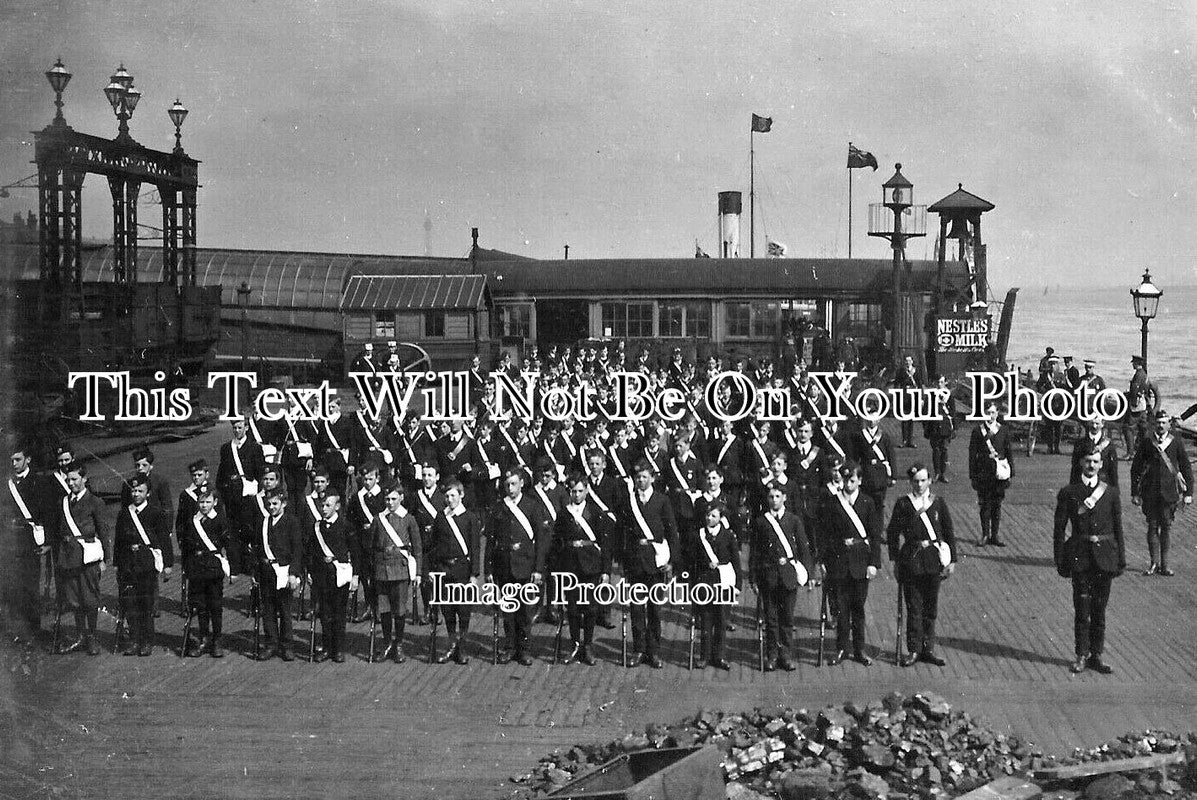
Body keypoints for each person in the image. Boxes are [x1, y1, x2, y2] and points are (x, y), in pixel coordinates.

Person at [1054, 450, 1125, 674]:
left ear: (1101, 464)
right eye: (1088, 461)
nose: (1091, 465)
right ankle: (1081, 655)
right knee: (1082, 610)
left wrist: (1120, 559)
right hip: (1080, 558)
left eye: (1095, 462)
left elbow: (1118, 528)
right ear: (1080, 464)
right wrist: (1060, 559)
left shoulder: (1111, 493)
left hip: (1104, 559)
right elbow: (1059, 529)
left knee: (1100, 610)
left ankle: (1097, 654)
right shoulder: (1069, 492)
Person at [886, 464, 956, 667]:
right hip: (912, 561)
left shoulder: (938, 503)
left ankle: (928, 649)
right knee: (914, 607)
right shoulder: (903, 504)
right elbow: (892, 533)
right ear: (910, 482)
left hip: (934, 561)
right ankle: (914, 650)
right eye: (916, 481)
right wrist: (895, 559)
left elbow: (948, 531)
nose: (919, 484)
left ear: (930, 481)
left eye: (923, 480)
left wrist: (952, 560)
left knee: (930, 607)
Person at [485, 468, 552, 665]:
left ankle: (524, 649)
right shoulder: (498, 508)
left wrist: (538, 569)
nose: (510, 488)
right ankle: (510, 646)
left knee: (525, 611)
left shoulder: (532, 507)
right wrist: (488, 571)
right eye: (507, 485)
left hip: (525, 564)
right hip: (504, 566)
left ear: (522, 483)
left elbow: (540, 540)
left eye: (513, 484)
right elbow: (490, 541)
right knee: (508, 609)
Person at [818, 462, 881, 666]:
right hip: (839, 562)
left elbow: (874, 535)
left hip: (861, 561)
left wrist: (874, 563)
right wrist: (824, 561)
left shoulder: (867, 502)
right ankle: (842, 648)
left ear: (859, 481)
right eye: (845, 480)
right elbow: (825, 534)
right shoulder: (834, 503)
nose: (848, 483)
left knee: (858, 609)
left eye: (852, 480)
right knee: (841, 609)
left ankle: (859, 649)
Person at [619, 460, 678, 668]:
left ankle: (654, 651)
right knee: (636, 608)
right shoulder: (629, 501)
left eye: (645, 476)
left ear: (652, 478)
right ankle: (639, 649)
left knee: (654, 609)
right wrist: (623, 562)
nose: (641, 480)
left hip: (656, 561)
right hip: (635, 560)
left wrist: (672, 562)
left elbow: (671, 531)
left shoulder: (662, 500)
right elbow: (622, 532)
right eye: (638, 477)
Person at [554, 473, 612, 666]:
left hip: (591, 564)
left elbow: (604, 543)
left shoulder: (595, 512)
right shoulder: (563, 513)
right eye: (573, 491)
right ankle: (574, 644)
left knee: (590, 607)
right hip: (570, 564)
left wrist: (605, 571)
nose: (577, 495)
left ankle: (587, 645)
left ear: (587, 490)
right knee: (572, 608)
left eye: (580, 491)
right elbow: (557, 541)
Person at [751, 484, 810, 671]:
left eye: (777, 496)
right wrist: (753, 579)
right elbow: (754, 553)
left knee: (787, 618)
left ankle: (786, 654)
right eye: (771, 496)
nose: (774, 500)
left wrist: (808, 574)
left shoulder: (794, 520)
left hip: (788, 576)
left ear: (784, 497)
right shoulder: (761, 522)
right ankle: (772, 655)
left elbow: (804, 549)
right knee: (771, 618)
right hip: (768, 575)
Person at [113, 475, 174, 656]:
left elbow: (164, 539)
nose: (136, 494)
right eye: (133, 490)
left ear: (148, 493)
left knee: (146, 604)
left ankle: (147, 641)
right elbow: (118, 540)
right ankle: (134, 640)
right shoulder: (124, 513)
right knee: (130, 604)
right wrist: (117, 563)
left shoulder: (155, 513)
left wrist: (168, 564)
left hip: (146, 563)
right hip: (128, 564)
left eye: (140, 491)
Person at [54, 463, 110, 656]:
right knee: (74, 599)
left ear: (84, 479)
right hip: (69, 557)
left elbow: (103, 530)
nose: (71, 483)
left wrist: (105, 559)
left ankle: (92, 636)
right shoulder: (64, 502)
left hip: (88, 557)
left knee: (90, 599)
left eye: (75, 479)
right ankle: (80, 636)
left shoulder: (95, 502)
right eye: (68, 480)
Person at [1130, 410, 1193, 576]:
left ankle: (1165, 565)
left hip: (1169, 492)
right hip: (1150, 492)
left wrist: (1189, 494)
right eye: (1158, 422)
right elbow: (1136, 467)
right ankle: (1153, 564)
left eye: (1164, 422)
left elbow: (1186, 466)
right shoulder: (1146, 442)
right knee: (1152, 527)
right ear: (1154, 424)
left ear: (1169, 425)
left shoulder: (1176, 442)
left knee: (1166, 527)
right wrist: (1134, 492)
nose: (1160, 425)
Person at [429, 479, 483, 664]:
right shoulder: (440, 517)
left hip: (462, 569)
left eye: (453, 495)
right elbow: (434, 544)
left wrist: (474, 575)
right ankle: (452, 644)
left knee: (463, 610)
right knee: (448, 609)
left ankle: (462, 647)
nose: (449, 499)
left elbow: (475, 548)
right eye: (447, 496)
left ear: (461, 495)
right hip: (444, 570)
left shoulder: (469, 518)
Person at [4, 445, 51, 639]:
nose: (14, 464)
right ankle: (19, 630)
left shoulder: (38, 482)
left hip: (31, 539)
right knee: (14, 587)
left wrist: (48, 542)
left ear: (28, 460)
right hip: (10, 540)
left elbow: (48, 514)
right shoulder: (7, 484)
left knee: (31, 586)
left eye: (18, 459)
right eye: (12, 460)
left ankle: (34, 629)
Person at [179, 489, 229, 657]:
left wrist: (233, 568)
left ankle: (217, 639)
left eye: (208, 502)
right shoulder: (192, 522)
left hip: (213, 569)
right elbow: (186, 546)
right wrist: (186, 567)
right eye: (201, 502)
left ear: (214, 502)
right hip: (197, 569)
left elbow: (229, 544)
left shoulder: (220, 520)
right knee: (200, 606)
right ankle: (203, 638)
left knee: (215, 606)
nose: (204, 505)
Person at [256, 489, 303, 661]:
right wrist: (256, 572)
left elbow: (297, 549)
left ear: (283, 504)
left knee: (284, 610)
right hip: (266, 571)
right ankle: (271, 643)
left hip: (283, 571)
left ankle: (287, 645)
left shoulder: (292, 522)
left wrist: (294, 573)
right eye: (268, 504)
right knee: (267, 610)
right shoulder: (263, 522)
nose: (271, 507)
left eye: (275, 504)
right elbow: (258, 547)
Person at [309, 490, 353, 662]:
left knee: (339, 613)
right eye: (322, 505)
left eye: (328, 505)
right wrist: (311, 572)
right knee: (325, 613)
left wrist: (355, 576)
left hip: (339, 575)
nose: (324, 508)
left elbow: (354, 551)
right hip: (322, 576)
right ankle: (327, 647)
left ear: (337, 506)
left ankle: (338, 649)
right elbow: (311, 551)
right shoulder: (317, 527)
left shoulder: (345, 525)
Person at [968, 401, 1014, 547]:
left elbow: (1008, 451)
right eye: (988, 413)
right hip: (984, 473)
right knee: (985, 506)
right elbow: (972, 454)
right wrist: (972, 475)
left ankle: (995, 535)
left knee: (997, 505)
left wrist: (1011, 472)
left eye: (993, 412)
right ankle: (985, 535)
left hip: (999, 474)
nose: (991, 416)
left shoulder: (1004, 430)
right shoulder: (977, 431)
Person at [924, 375, 956, 482]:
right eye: (938, 382)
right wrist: (926, 427)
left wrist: (954, 428)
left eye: (941, 382)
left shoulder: (949, 396)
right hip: (934, 426)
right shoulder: (931, 395)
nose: (939, 384)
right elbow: (925, 412)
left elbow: (953, 412)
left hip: (946, 426)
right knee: (936, 450)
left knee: (944, 450)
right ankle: (937, 472)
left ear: (945, 383)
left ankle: (943, 473)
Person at [1070, 418, 1119, 487]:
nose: (1094, 426)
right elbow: (1075, 468)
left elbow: (1113, 470)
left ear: (1102, 424)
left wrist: (1115, 491)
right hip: (1082, 485)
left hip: (1102, 487)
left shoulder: (1109, 445)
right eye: (1092, 423)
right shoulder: (1079, 444)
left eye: (1097, 423)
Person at [891, 355, 924, 448]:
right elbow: (896, 384)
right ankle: (904, 440)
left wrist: (921, 398)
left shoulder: (916, 371)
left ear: (912, 361)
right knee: (904, 419)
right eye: (906, 361)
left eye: (909, 360)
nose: (907, 362)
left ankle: (910, 440)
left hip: (913, 397)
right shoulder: (901, 371)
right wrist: (896, 396)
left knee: (911, 419)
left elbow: (919, 384)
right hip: (903, 397)